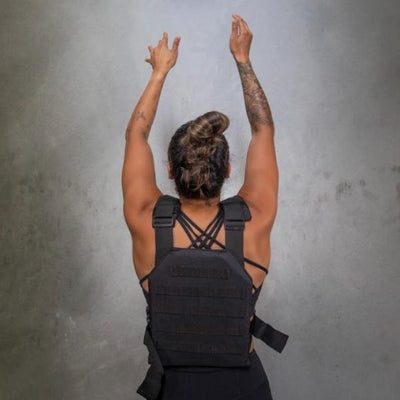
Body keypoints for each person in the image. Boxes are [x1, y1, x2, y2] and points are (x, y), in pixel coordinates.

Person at [122, 13, 288, 400]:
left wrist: (159, 72)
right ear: (228, 169)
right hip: (244, 388)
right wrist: (243, 59)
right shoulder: (255, 219)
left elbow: (136, 136)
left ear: (169, 170)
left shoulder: (145, 219)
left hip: (175, 389)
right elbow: (263, 129)